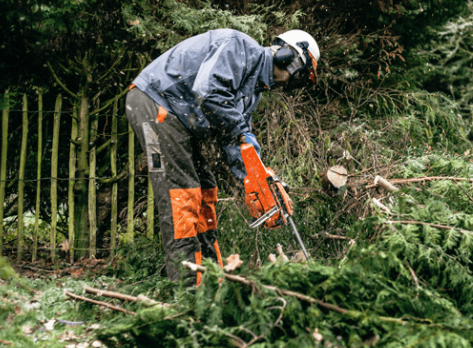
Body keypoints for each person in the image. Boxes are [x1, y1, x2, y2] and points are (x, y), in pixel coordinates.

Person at [126, 28, 319, 286]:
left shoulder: (252, 92)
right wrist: (241, 131)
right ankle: (188, 290)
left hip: (179, 118)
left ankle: (212, 279)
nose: (290, 84)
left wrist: (257, 178)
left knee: (206, 190)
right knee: (181, 195)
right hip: (155, 102)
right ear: (288, 57)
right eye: (297, 77)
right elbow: (208, 92)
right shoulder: (238, 47)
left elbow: (234, 140)